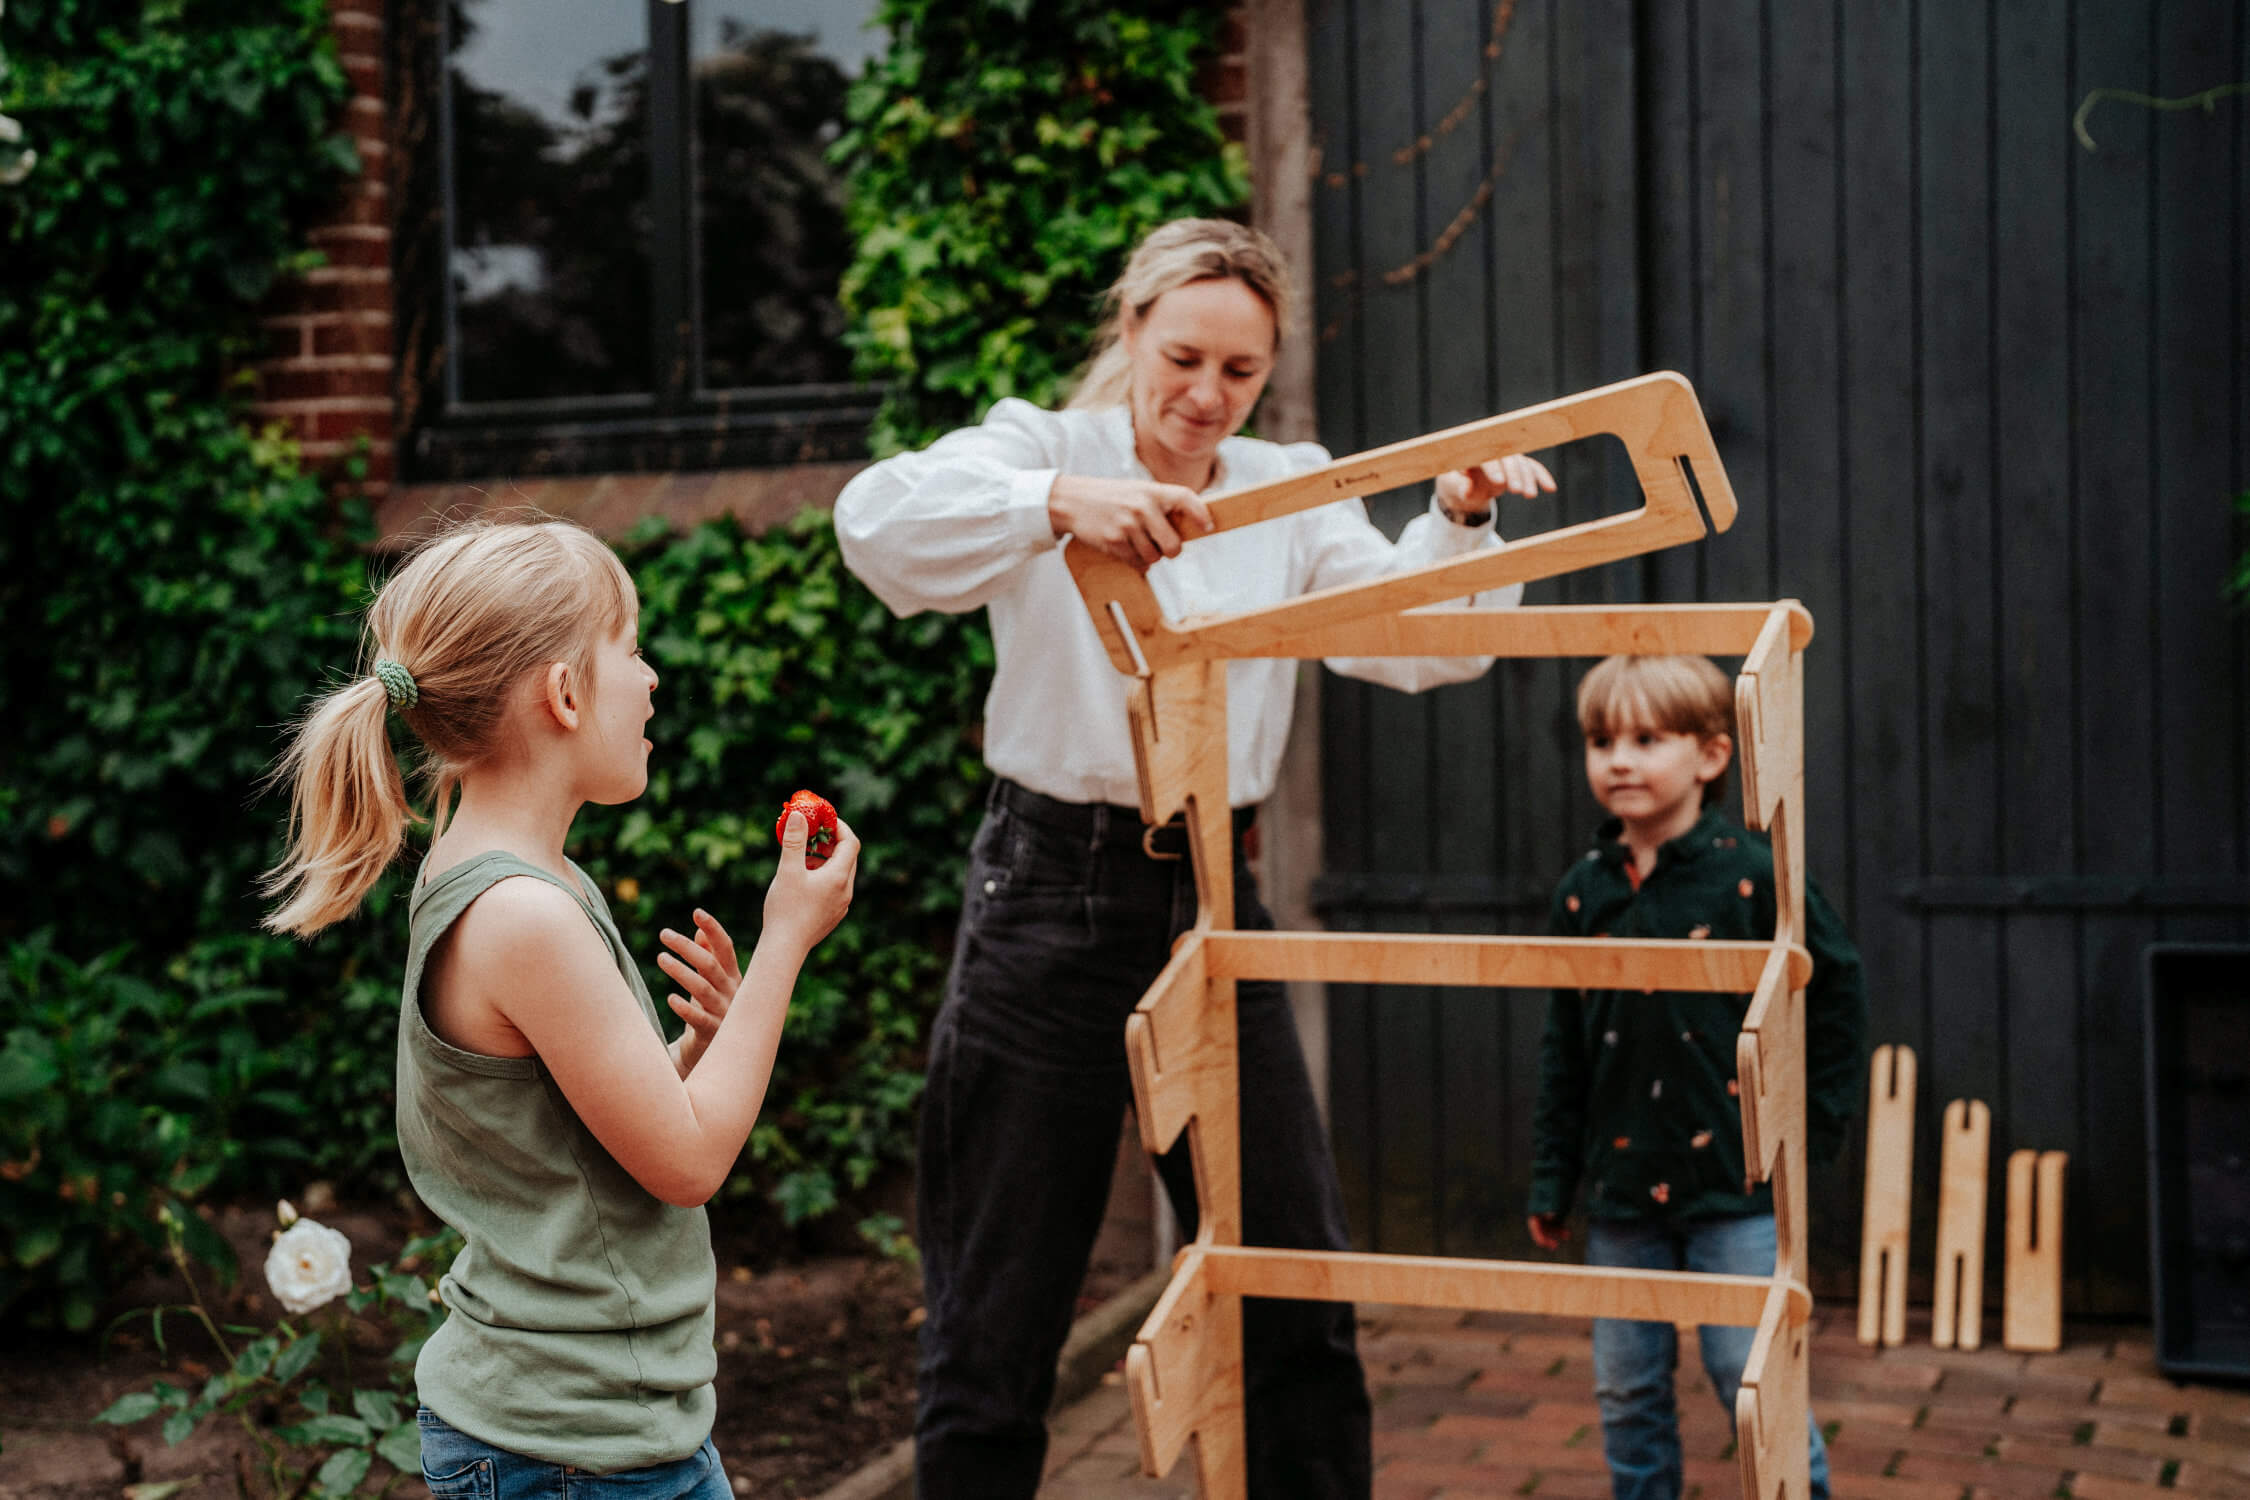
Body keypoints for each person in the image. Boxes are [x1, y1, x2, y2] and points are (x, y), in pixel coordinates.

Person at [834, 216, 1556, 1499]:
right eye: (1183, 359)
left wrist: (1457, 518)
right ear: (1131, 334)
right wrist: (1060, 501)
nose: (1206, 397)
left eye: (1238, 372)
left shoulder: (1286, 482)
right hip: (1045, 891)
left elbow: (1413, 642)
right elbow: (876, 525)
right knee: (995, 1321)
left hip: (1216, 898)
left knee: (1294, 1285)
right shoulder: (1042, 447)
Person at [262, 517, 860, 1497]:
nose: (654, 677)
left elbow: (579, 1149)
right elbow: (688, 1162)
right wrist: (786, 940)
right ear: (567, 692)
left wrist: (696, 1044)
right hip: (570, 1447)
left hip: (590, 1426)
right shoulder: (523, 914)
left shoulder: (510, 875)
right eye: (631, 648)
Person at [1529, 654, 1864, 1500]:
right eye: (1602, 740)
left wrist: (1808, 1126)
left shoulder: (1754, 876)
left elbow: (1835, 987)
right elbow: (1563, 1046)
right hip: (1622, 1192)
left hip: (1735, 1187)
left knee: (1746, 1374)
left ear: (1711, 756)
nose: (1620, 760)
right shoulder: (1582, 894)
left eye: (1648, 738)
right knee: (1627, 1388)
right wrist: (1551, 1178)